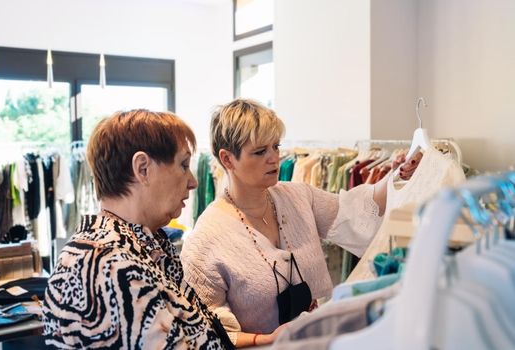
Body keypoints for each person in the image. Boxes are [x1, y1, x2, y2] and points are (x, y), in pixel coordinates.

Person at [180, 99, 417, 348]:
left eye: (276, 146)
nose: (274, 158)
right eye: (260, 152)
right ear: (227, 159)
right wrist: (266, 339)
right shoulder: (206, 238)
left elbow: (356, 209)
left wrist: (396, 175)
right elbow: (201, 329)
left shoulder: (297, 196)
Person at [42, 110, 234, 349]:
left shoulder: (141, 245)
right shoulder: (109, 265)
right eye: (183, 165)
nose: (193, 181)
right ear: (143, 168)